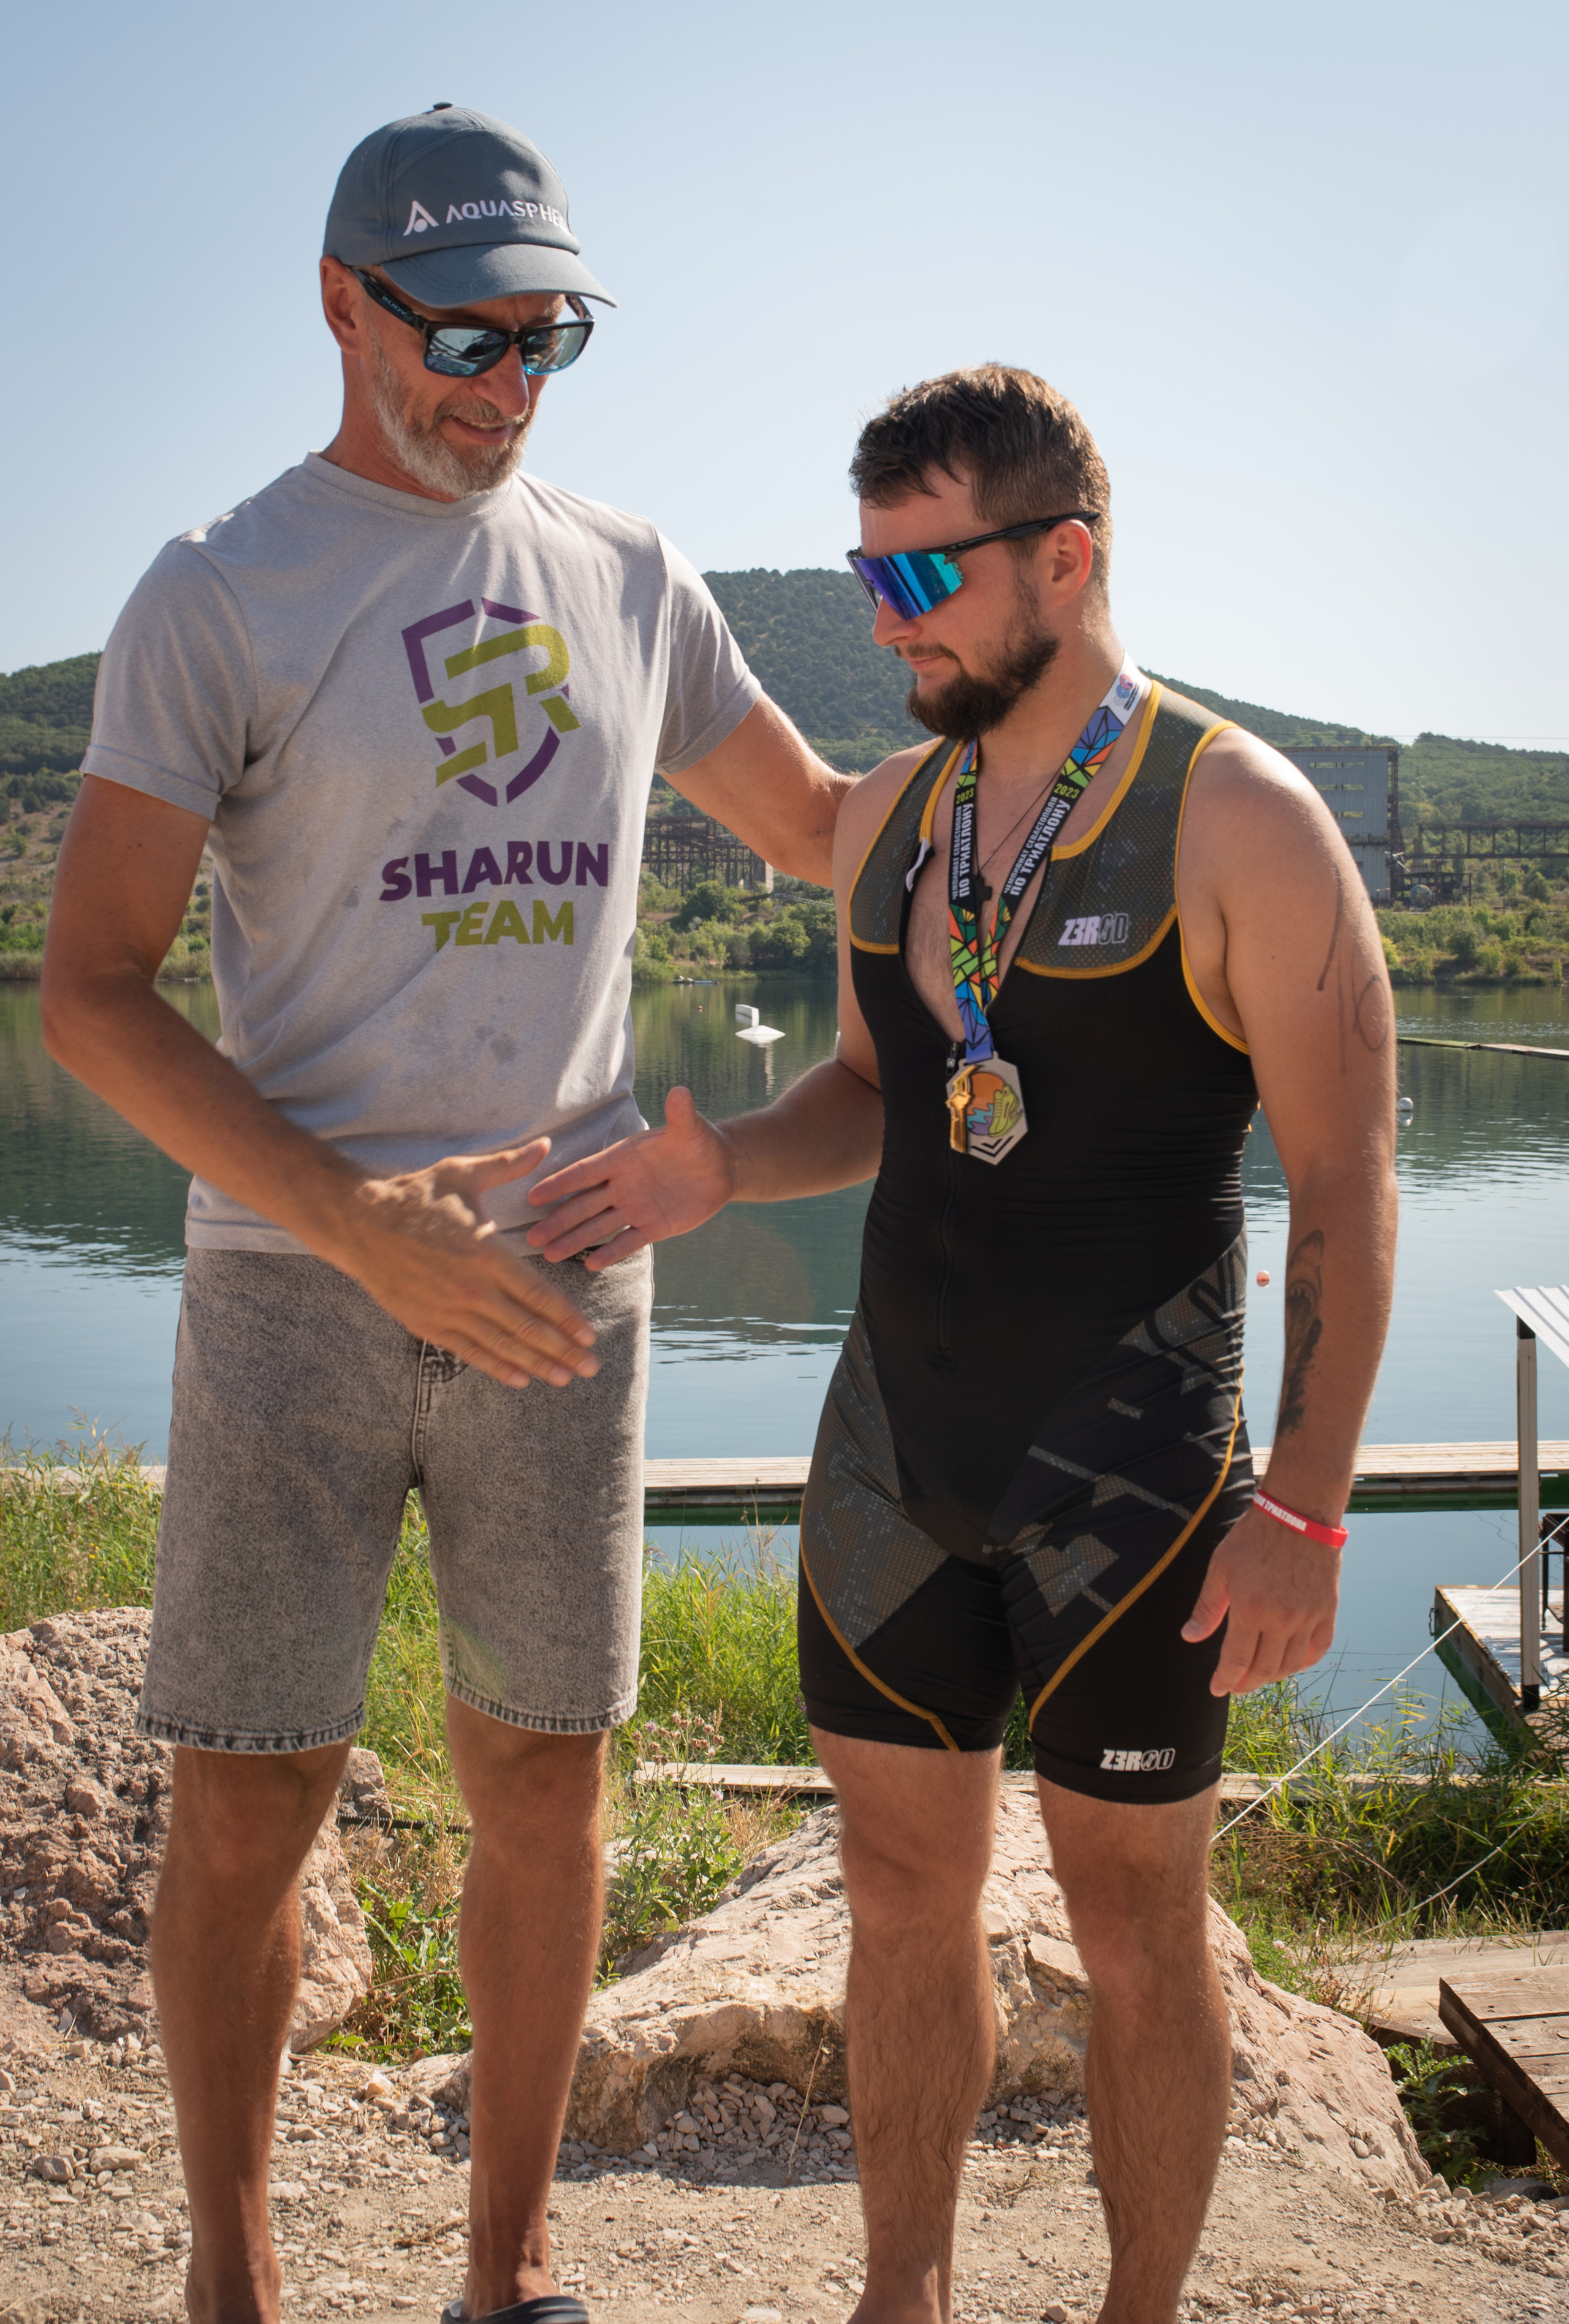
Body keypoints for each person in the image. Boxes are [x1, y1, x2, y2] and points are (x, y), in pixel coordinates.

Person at [41, 105, 848, 2324]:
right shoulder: (216, 589)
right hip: (287, 1287)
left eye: (548, 340)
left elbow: (822, 826)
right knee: (249, 1801)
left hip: (567, 1282)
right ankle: (231, 2279)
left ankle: (508, 2274)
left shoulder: (631, 574)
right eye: (467, 336)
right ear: (343, 304)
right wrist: (354, 1219)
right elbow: (89, 989)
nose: (507, 385)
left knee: (547, 1786)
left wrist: (1095, 743)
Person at [527, 365, 1399, 2324]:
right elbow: (869, 1091)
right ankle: (900, 2294)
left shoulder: (1240, 819)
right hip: (895, 1464)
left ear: (1064, 561)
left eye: (924, 575)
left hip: (1138, 1486)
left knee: (1139, 1930)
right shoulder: (895, 822)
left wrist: (1310, 1507)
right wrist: (726, 1167)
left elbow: (1348, 1195)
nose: (887, 619)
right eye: (868, 576)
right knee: (897, 1901)